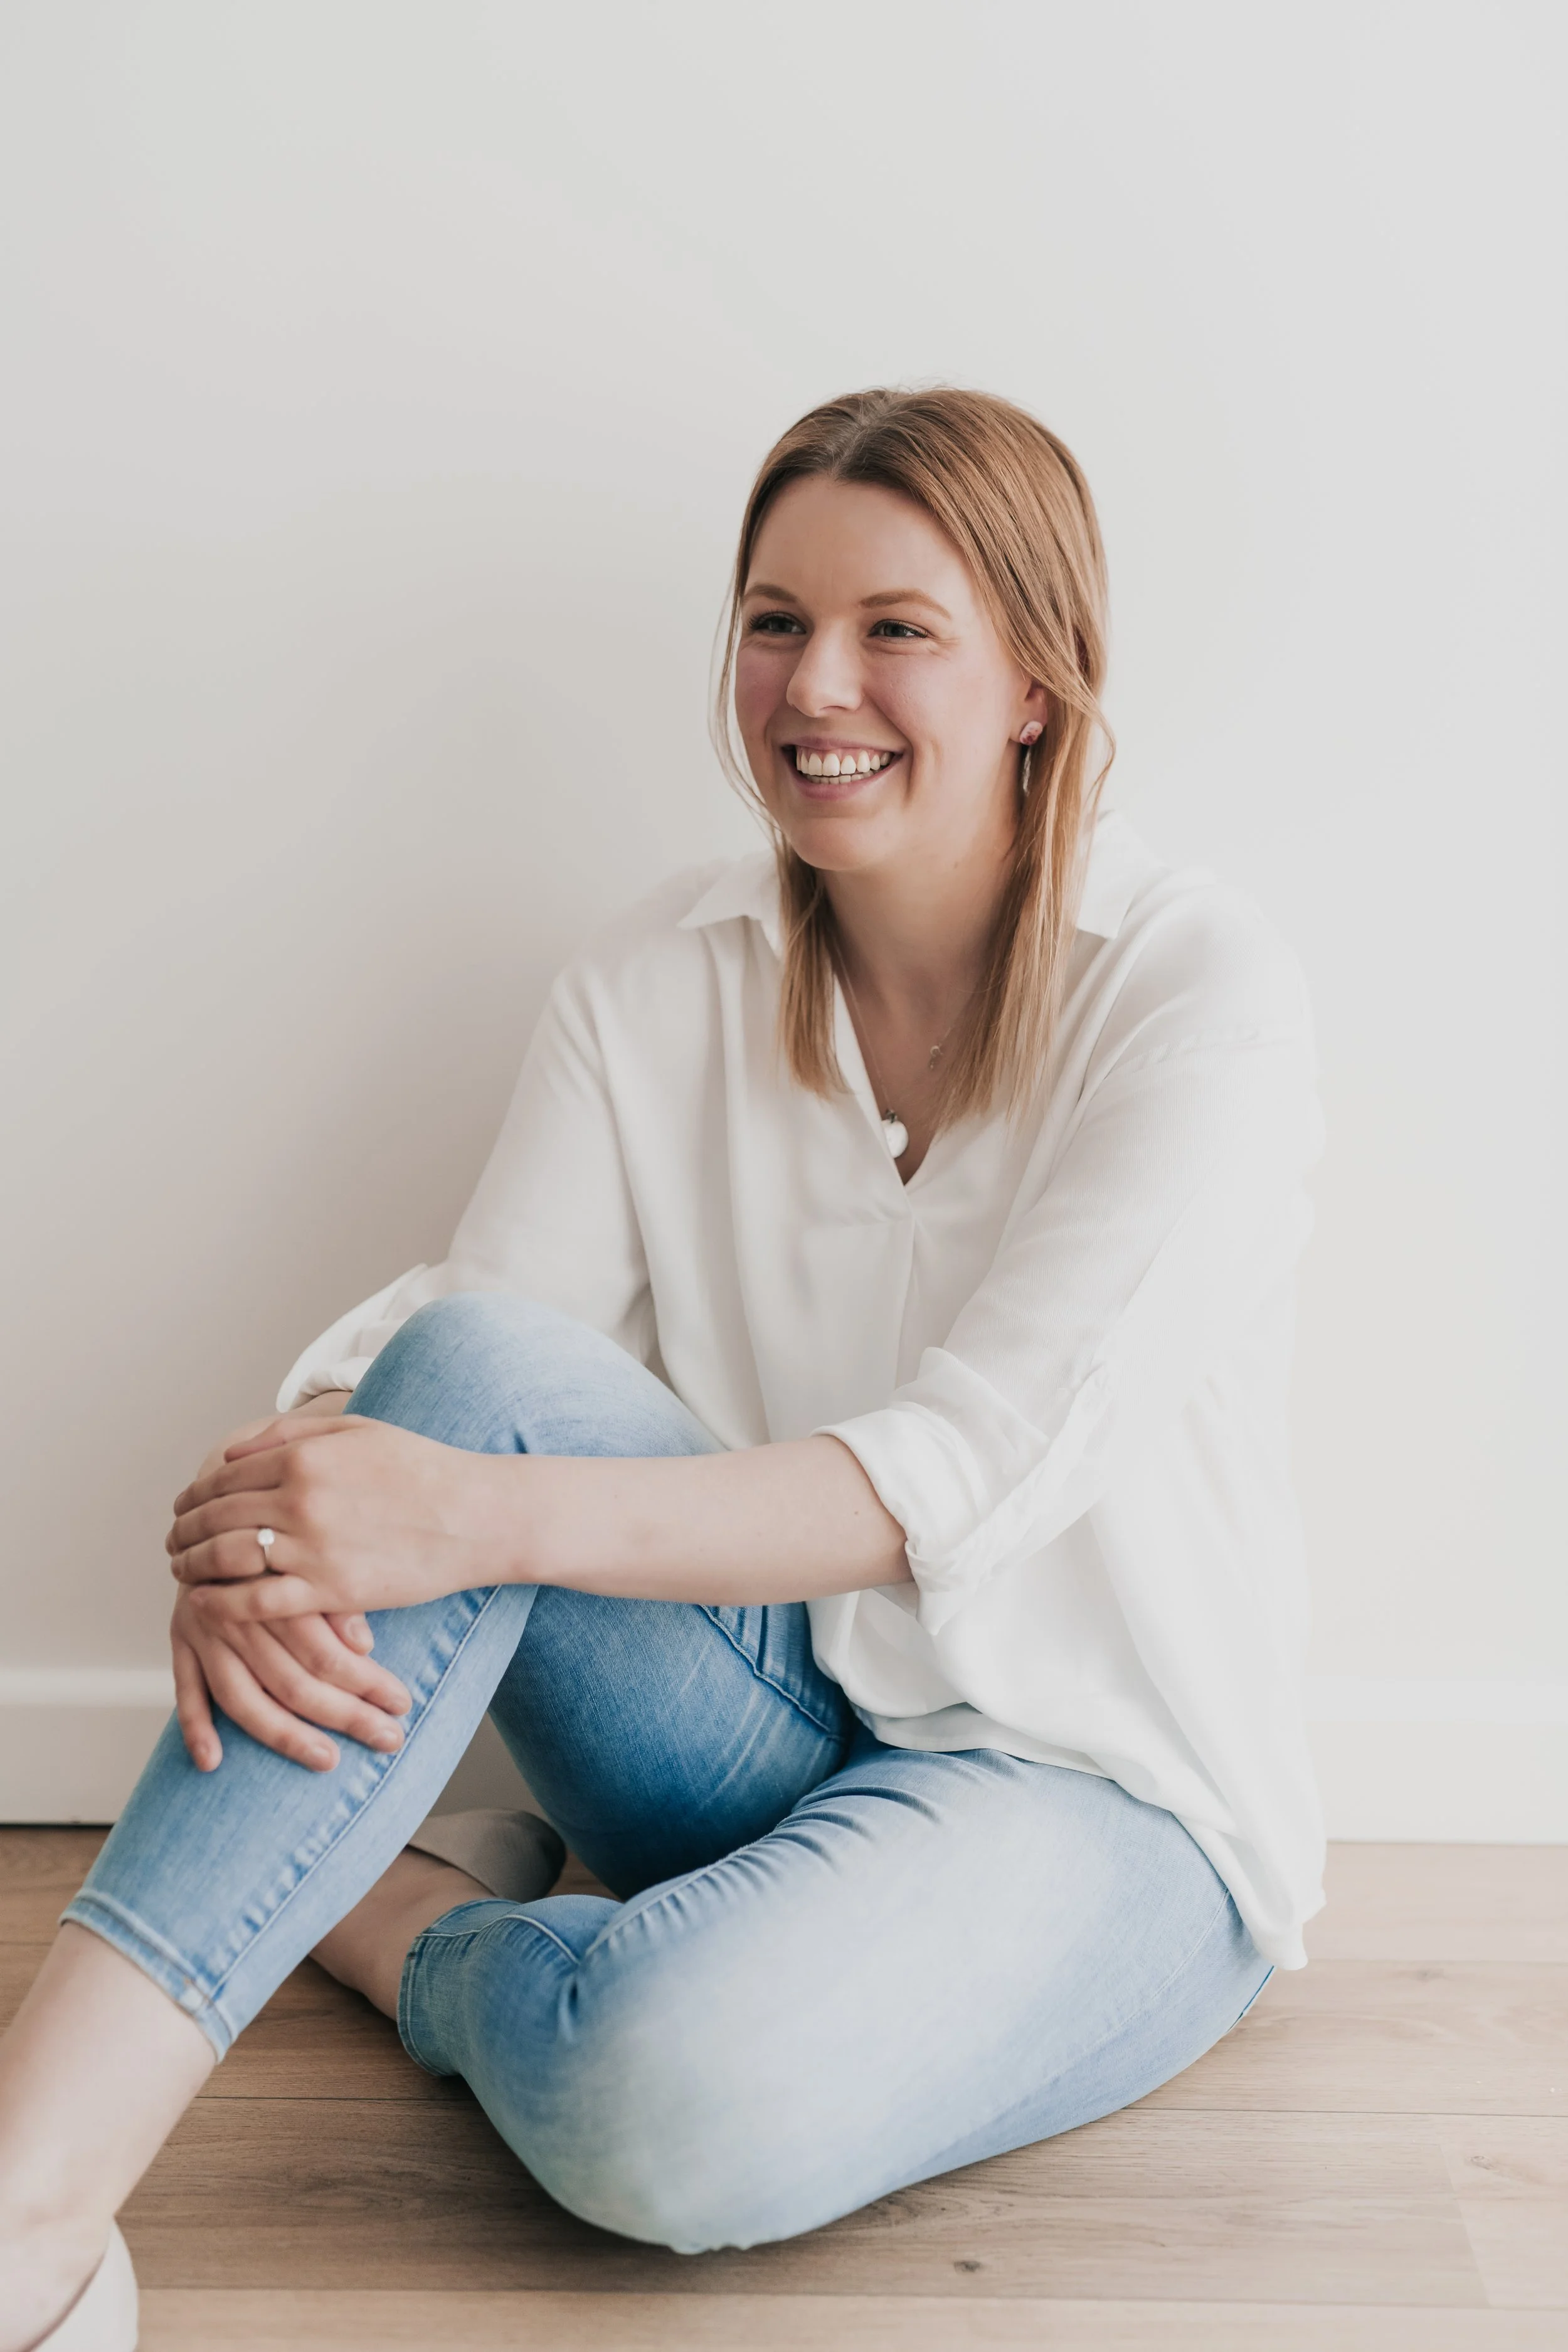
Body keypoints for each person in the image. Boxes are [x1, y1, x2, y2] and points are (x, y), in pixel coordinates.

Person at [0, 386, 1325, 2350]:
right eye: (775, 620)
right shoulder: (649, 980)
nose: (815, 682)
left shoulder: (1193, 993)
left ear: (1037, 684)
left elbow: (956, 1471)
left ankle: (402, 1927)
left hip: (1095, 1787)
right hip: (751, 1726)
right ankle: (29, 2214)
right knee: (442, 1378)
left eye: (895, 627)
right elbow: (468, 1361)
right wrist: (292, 1506)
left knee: (654, 2100)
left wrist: (460, 1511)